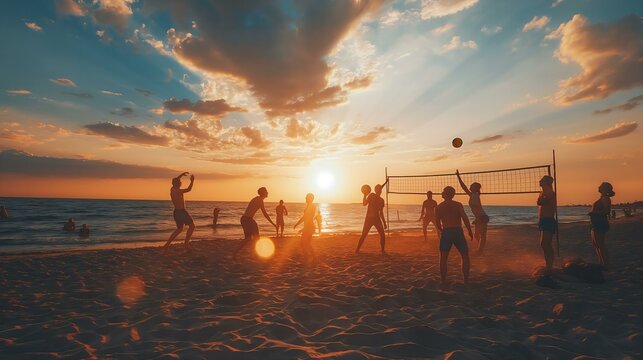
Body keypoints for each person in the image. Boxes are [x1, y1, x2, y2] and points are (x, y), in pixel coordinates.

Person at [435, 186, 473, 290]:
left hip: (447, 232)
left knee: (443, 258)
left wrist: (442, 231)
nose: (441, 193)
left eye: (443, 191)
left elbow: (437, 224)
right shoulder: (458, 205)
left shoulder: (438, 207)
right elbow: (465, 218)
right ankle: (465, 280)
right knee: (465, 255)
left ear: (445, 194)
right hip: (457, 231)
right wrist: (469, 230)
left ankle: (443, 281)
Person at [233, 187, 277, 259]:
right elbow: (265, 214)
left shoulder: (257, 199)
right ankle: (255, 254)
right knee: (254, 238)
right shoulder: (259, 200)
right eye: (266, 191)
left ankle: (236, 252)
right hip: (247, 220)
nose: (267, 193)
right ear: (263, 193)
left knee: (248, 238)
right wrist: (273, 224)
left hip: (245, 219)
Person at [456, 170, 489, 254]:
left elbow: (477, 209)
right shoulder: (472, 195)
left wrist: (477, 219)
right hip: (479, 217)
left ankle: (480, 250)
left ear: (475, 188)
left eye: (471, 185)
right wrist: (458, 176)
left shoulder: (475, 195)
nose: (469, 186)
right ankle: (480, 249)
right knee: (476, 235)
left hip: (482, 217)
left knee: (482, 236)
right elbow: (464, 187)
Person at [163, 172, 195, 253]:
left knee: (179, 229)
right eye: (180, 182)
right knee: (192, 226)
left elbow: (175, 180)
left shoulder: (172, 189)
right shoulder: (178, 191)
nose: (181, 183)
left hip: (176, 212)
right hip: (181, 212)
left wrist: (181, 175)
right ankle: (186, 244)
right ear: (177, 184)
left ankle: (167, 245)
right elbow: (188, 189)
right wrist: (192, 181)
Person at [355, 184, 387, 254]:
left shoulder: (381, 200)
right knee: (364, 234)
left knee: (382, 235)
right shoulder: (371, 195)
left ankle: (382, 250)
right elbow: (364, 204)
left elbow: (381, 213)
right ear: (375, 190)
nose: (380, 191)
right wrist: (364, 195)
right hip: (369, 219)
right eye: (378, 189)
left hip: (377, 219)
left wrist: (384, 223)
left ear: (381, 191)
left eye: (380, 189)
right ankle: (357, 249)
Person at [589, 182, 615, 269]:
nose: (599, 187)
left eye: (601, 186)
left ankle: (606, 264)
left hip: (600, 223)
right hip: (596, 223)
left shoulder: (605, 199)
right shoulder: (602, 198)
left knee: (600, 244)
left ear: (605, 189)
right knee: (596, 244)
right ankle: (601, 263)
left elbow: (607, 211)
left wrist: (594, 213)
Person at [293, 193, 322, 265]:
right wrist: (297, 224)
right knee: (306, 244)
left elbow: (308, 218)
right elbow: (304, 217)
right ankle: (313, 258)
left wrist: (304, 228)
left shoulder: (312, 206)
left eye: (306, 197)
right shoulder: (308, 206)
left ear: (310, 198)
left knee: (304, 244)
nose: (305, 198)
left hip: (309, 227)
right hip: (308, 227)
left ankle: (308, 259)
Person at [537, 175, 557, 273]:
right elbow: (539, 202)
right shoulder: (543, 193)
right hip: (542, 220)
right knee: (543, 244)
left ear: (546, 182)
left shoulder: (550, 193)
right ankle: (548, 264)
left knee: (546, 244)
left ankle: (550, 266)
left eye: (541, 180)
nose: (539, 181)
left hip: (548, 220)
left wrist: (542, 198)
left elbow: (541, 202)